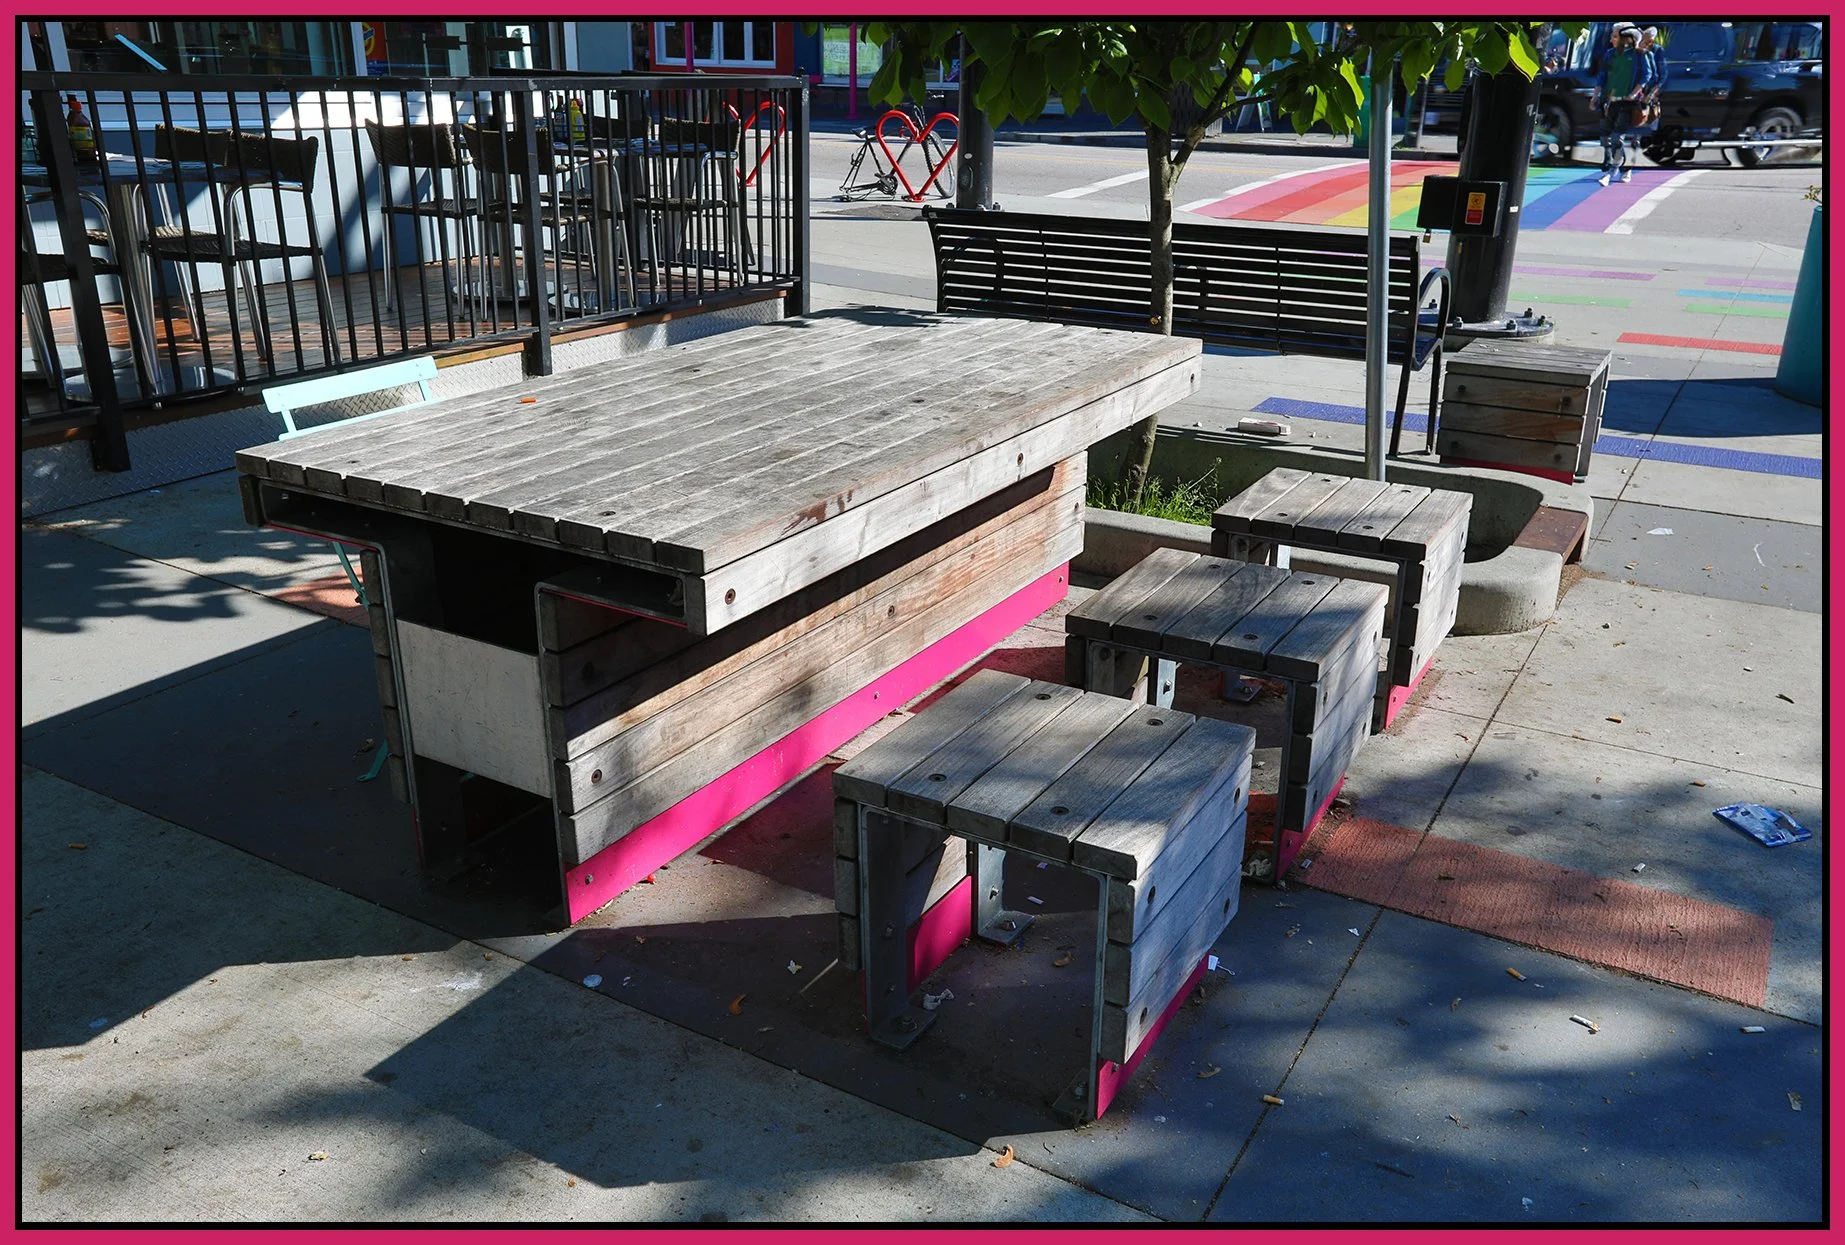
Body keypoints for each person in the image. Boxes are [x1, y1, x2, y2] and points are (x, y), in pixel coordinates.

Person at [1592, 24, 1652, 184]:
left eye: (1615, 36)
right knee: (1607, 138)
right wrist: (1596, 95)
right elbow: (1602, 76)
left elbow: (1647, 75)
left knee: (1617, 137)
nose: (1612, 39)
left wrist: (1634, 93)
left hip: (1629, 104)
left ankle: (1613, 170)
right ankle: (1623, 165)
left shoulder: (1639, 55)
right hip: (1611, 102)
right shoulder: (1610, 54)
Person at [1638, 27, 1667, 129]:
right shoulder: (1637, 49)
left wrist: (1652, 93)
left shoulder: (1658, 50)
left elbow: (1662, 74)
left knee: (1651, 116)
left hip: (1651, 87)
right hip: (1639, 87)